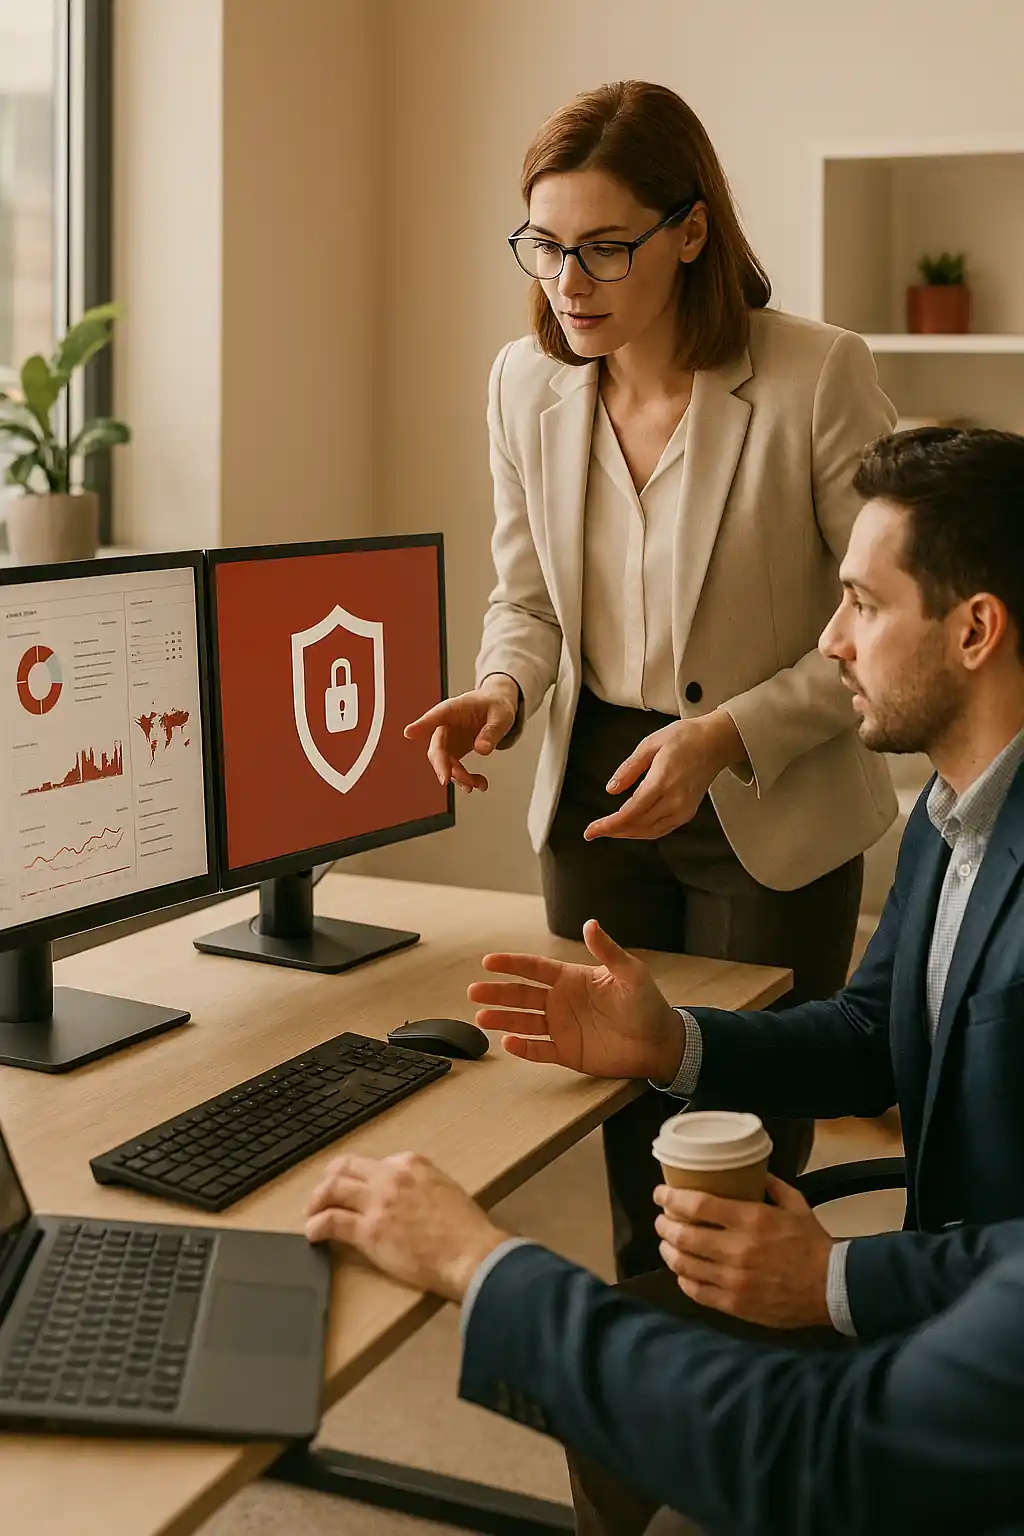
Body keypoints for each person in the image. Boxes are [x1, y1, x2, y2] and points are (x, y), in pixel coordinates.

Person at [311, 427, 1024, 1535]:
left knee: (648, 1372)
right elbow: (875, 1029)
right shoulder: (954, 804)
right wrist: (667, 1046)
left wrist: (838, 1281)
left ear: (974, 630)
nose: (830, 642)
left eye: (861, 605)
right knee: (626, 1368)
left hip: (970, 1375)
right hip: (948, 1298)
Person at [404, 79, 896, 1278]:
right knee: (624, 1137)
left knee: (737, 1161)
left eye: (603, 248)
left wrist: (726, 734)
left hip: (763, 805)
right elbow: (524, 602)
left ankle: (746, 1426)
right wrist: (502, 692)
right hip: (592, 799)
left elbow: (885, 617)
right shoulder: (521, 384)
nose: (566, 282)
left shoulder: (815, 376)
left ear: (690, 232)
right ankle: (634, 1422)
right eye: (544, 244)